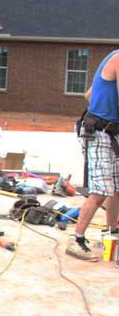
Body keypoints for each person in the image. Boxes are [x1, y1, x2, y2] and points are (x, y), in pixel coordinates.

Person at [69, 49, 119, 261]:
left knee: (116, 188)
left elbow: (88, 94)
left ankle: (112, 234)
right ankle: (76, 240)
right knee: (99, 191)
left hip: (111, 132)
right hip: (98, 134)